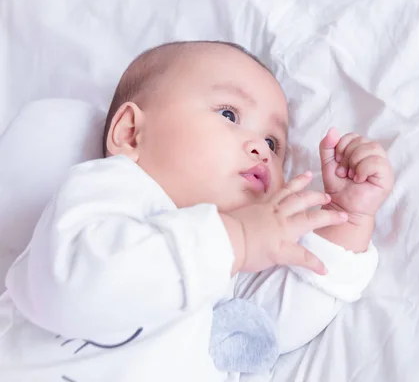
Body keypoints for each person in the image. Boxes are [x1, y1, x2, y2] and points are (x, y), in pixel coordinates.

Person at [0, 40, 394, 381]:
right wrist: (233, 240)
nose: (261, 147)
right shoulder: (107, 194)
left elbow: (279, 323)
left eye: (274, 144)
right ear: (131, 133)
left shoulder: (231, 264)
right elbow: (72, 288)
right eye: (229, 114)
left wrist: (347, 219)